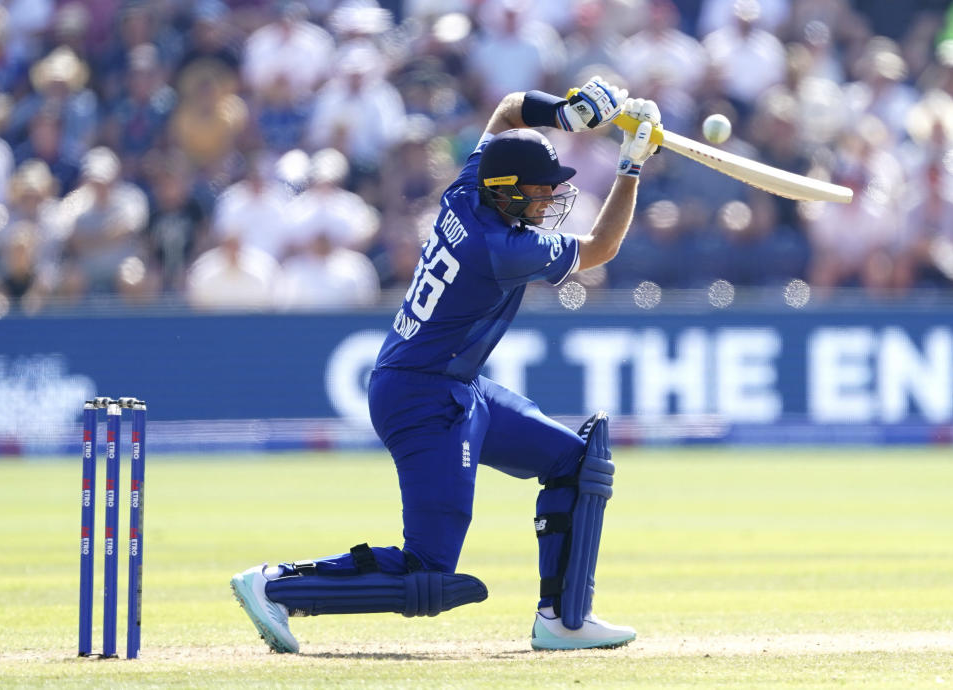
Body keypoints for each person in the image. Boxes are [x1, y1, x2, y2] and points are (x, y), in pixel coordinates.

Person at [231, 77, 661, 652]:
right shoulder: (502, 249)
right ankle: (278, 586)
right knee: (430, 570)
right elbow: (603, 246)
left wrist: (569, 114)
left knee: (575, 464)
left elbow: (509, 109)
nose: (548, 202)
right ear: (505, 192)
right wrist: (631, 168)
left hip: (455, 387)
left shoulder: (466, 189)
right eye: (537, 192)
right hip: (423, 398)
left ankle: (564, 619)